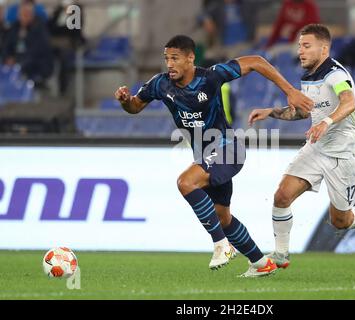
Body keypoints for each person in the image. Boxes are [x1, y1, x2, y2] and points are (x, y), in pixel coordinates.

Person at [115, 35, 313, 277]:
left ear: (190, 58)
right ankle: (261, 263)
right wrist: (126, 101)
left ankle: (221, 245)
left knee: (186, 182)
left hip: (227, 149)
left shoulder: (211, 76)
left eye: (175, 58)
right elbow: (136, 106)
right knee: (222, 217)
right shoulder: (160, 84)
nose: (169, 64)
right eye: (166, 59)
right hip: (205, 155)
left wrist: (290, 91)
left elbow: (257, 61)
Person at [248, 24, 355, 268]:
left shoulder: (336, 74)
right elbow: (304, 111)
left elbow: (349, 102)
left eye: (306, 46)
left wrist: (326, 121)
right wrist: (270, 112)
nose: (300, 51)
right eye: (300, 45)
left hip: (344, 156)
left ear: (324, 49)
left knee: (340, 221)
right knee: (281, 196)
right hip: (316, 148)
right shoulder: (309, 76)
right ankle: (281, 254)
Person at [2, 0, 53, 85]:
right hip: (15, 65)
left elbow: (36, 52)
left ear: (32, 15)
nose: (24, 17)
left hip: (35, 67)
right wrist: (7, 58)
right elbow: (7, 46)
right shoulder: (15, 28)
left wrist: (17, 62)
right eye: (22, 14)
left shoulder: (40, 29)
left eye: (27, 14)